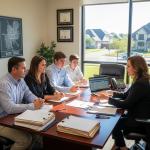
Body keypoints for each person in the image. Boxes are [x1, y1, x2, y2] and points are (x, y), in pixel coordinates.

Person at [94, 55, 150, 150]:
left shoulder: (140, 84)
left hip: (139, 121)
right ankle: (117, 145)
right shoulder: (139, 81)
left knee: (112, 122)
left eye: (128, 66)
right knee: (114, 116)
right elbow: (125, 95)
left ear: (136, 68)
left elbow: (126, 104)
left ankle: (122, 147)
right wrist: (112, 93)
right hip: (138, 115)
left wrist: (107, 99)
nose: (126, 68)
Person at [0, 57, 45, 150]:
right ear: (14, 69)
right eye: (23, 68)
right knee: (25, 139)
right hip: (2, 121)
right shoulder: (4, 83)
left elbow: (28, 94)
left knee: (36, 131)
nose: (26, 70)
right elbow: (9, 108)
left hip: (14, 117)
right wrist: (33, 106)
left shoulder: (21, 80)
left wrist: (37, 100)